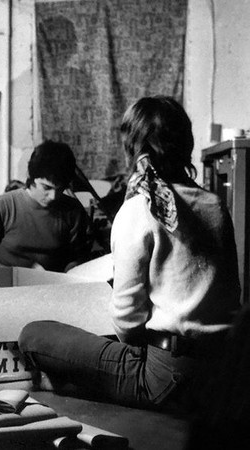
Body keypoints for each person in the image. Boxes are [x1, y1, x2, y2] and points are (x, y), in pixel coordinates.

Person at [18, 96, 241, 409]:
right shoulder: (215, 204)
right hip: (221, 373)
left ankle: (64, 384)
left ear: (132, 148)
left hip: (166, 377)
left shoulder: (139, 209)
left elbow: (126, 317)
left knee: (33, 334)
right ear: (186, 143)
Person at [0, 141, 90, 272]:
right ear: (31, 176)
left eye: (60, 189)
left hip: (53, 285)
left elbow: (79, 255)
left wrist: (71, 269)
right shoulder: (2, 206)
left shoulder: (73, 210)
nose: (53, 196)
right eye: (46, 187)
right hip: (7, 285)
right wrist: (8, 274)